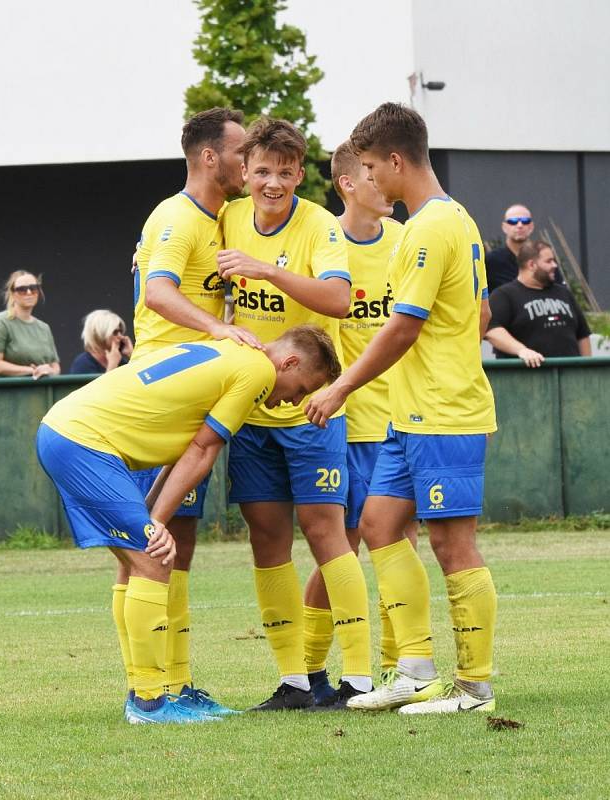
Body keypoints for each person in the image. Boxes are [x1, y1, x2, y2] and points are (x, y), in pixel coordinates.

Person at [36, 325, 341, 724]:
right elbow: (203, 450)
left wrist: (151, 518)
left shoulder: (228, 354)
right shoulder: (259, 372)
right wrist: (156, 525)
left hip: (68, 433)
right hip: (85, 443)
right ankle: (148, 702)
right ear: (289, 362)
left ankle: (148, 694)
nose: (295, 402)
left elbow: (179, 451)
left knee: (139, 561)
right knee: (155, 558)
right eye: (302, 388)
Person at [306, 102, 498, 715]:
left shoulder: (427, 228)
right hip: (409, 415)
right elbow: (482, 313)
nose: (369, 179)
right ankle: (413, 670)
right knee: (382, 526)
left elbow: (401, 329)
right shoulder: (457, 219)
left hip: (443, 413)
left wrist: (338, 388)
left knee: (452, 545)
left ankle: (473, 686)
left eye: (370, 166)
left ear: (395, 159)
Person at [217, 117, 373, 711]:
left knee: (326, 533)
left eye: (285, 172)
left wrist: (267, 270)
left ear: (299, 174)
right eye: (262, 171)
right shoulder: (228, 218)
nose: (273, 183)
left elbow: (339, 298)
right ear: (245, 172)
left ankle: (357, 677)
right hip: (251, 411)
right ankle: (293, 681)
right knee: (266, 539)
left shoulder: (318, 226)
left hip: (314, 411)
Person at [130, 107, 262, 717]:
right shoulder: (175, 215)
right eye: (240, 153)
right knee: (149, 544)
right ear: (209, 157)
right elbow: (157, 292)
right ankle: (150, 690)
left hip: (190, 389)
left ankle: (174, 683)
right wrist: (219, 330)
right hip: (161, 394)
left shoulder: (220, 220)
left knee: (176, 542)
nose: (248, 163)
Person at [301, 140, 419, 706]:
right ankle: (305, 672)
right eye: (372, 175)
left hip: (400, 420)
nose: (385, 184)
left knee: (402, 545)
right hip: (342, 424)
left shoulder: (405, 241)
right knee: (338, 552)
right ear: (349, 183)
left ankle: (403, 671)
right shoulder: (324, 243)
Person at [485, 240, 591, 367]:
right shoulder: (504, 295)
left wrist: (587, 368)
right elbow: (491, 330)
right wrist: (522, 351)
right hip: (527, 378)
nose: (554, 265)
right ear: (531, 265)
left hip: (570, 377)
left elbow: (582, 335)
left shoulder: (564, 293)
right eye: (549, 261)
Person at [0, 271, 60, 378]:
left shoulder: (44, 328)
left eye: (33, 288)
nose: (29, 292)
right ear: (13, 294)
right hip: (10, 392)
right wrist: (32, 370)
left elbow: (55, 366)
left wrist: (49, 370)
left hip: (42, 391)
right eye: (22, 290)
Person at [485, 204, 535, 292]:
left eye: (525, 221)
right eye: (513, 221)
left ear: (531, 227)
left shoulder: (542, 259)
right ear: (504, 227)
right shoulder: (491, 261)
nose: (519, 225)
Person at [69, 309, 133, 374]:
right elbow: (104, 384)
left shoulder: (119, 361)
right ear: (100, 334)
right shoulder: (83, 364)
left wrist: (132, 354)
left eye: (121, 332)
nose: (121, 336)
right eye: (115, 332)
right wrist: (112, 366)